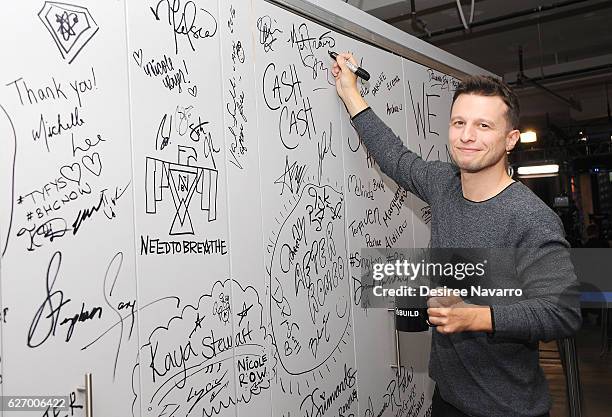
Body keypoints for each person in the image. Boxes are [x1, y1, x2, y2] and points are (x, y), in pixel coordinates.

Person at [331, 53, 582, 417]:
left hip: (508, 409)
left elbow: (563, 312)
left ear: (510, 139)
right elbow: (394, 158)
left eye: (483, 126)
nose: (466, 136)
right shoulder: (443, 185)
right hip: (448, 401)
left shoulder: (531, 217)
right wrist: (350, 92)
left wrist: (476, 317)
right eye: (459, 122)